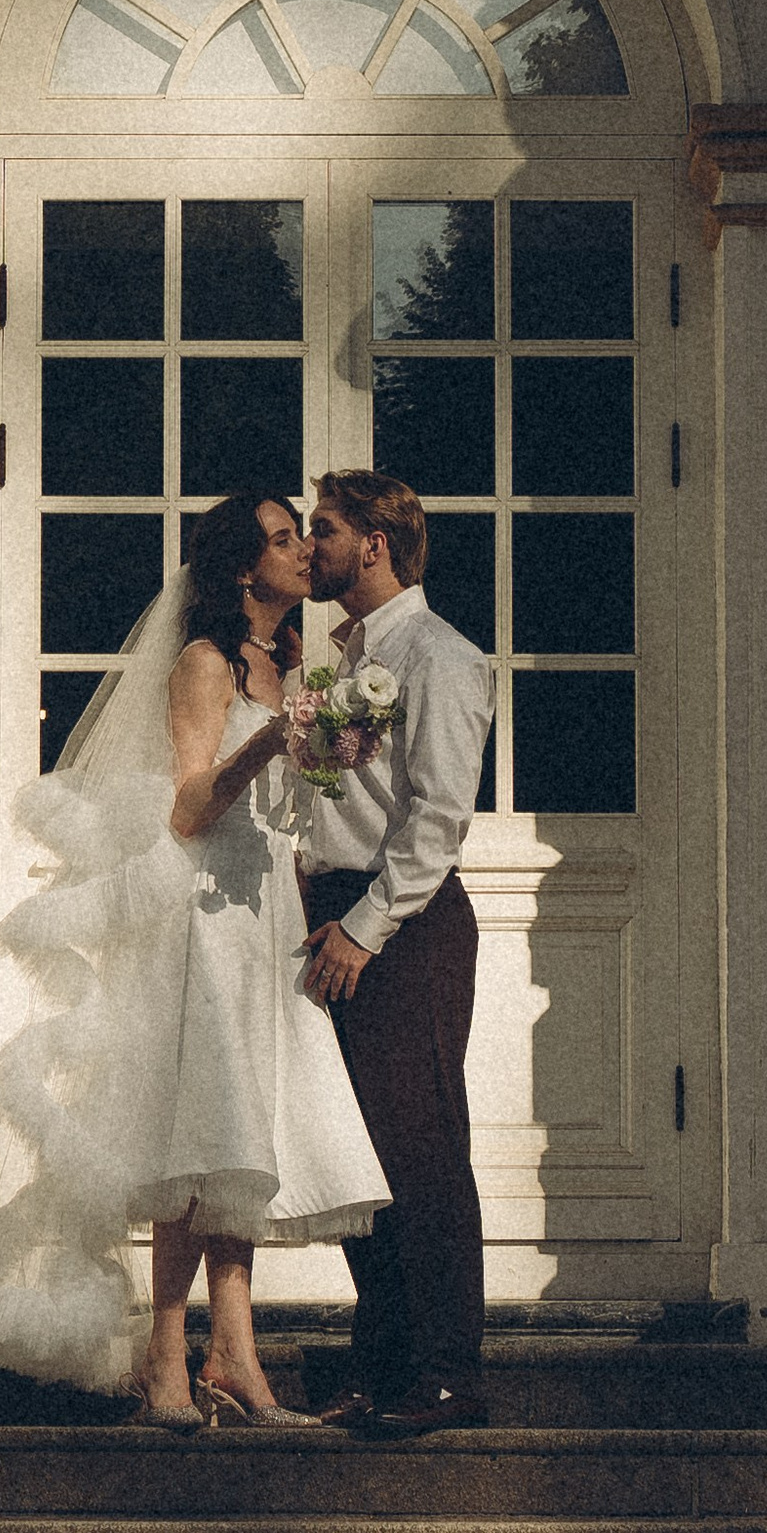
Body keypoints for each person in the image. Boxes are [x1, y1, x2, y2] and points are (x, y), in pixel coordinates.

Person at [0, 490, 386, 1421]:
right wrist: (273, 738)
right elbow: (186, 808)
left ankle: (232, 1353)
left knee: (239, 1141)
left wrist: (320, 752)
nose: (303, 552)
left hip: (265, 906)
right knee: (193, 1133)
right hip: (201, 907)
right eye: (280, 541)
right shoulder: (203, 662)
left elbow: (295, 800)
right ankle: (165, 1357)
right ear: (241, 569)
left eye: (300, 537)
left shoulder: (292, 659)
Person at [299, 467, 497, 1436]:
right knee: (359, 1161)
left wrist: (364, 929)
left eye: (324, 529)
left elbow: (437, 818)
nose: (310, 546)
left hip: (401, 927)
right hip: (328, 915)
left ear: (375, 542)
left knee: (419, 1153)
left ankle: (449, 1373)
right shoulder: (336, 658)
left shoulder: (440, 656)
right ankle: (379, 1373)